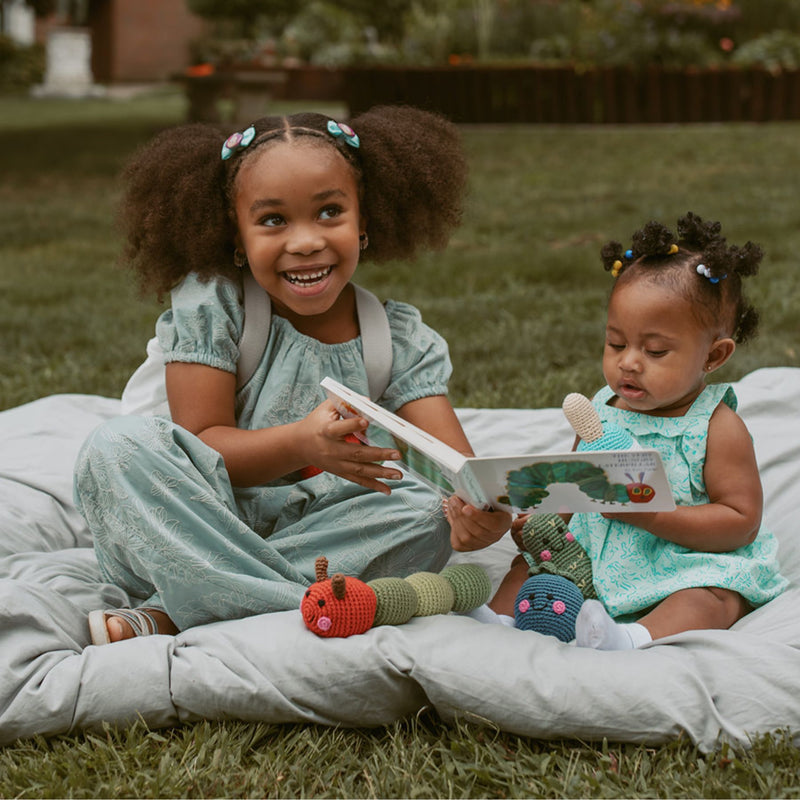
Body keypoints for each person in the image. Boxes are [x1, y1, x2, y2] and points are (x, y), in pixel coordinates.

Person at [74, 106, 507, 645]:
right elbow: (204, 444)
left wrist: (480, 516)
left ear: (365, 221)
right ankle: (299, 604)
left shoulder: (397, 339)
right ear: (236, 234)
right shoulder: (216, 307)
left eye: (329, 212)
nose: (305, 241)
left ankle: (179, 612)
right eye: (274, 220)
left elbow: (462, 475)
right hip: (194, 524)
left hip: (325, 535)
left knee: (428, 510)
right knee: (115, 446)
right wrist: (303, 442)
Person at [453, 212, 788, 647]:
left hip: (681, 559)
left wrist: (651, 515)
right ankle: (500, 620)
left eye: (655, 350)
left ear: (713, 356)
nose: (629, 362)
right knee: (530, 563)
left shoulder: (717, 428)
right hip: (596, 552)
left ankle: (632, 637)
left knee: (714, 597)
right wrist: (543, 520)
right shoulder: (603, 410)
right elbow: (570, 484)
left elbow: (740, 522)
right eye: (616, 343)